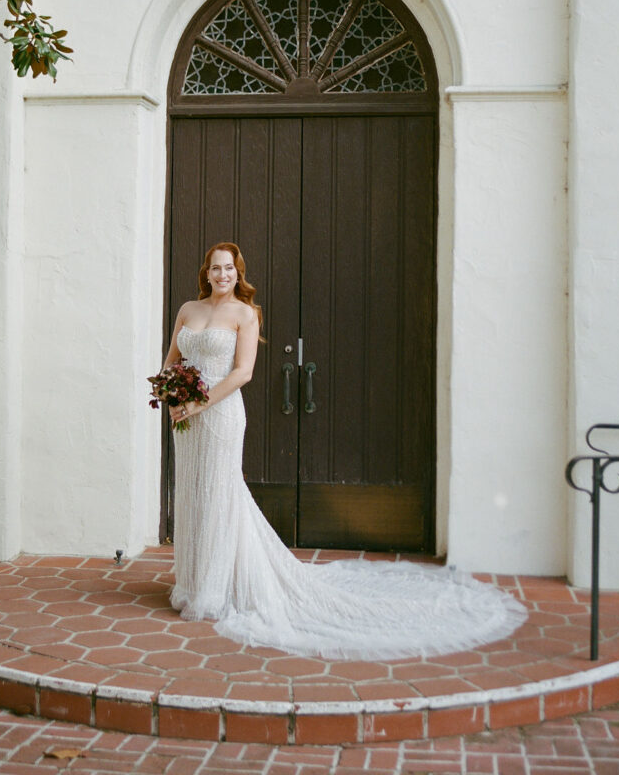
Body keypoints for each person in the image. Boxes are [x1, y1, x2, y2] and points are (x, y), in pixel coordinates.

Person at [162, 241, 527, 660]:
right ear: (206, 272)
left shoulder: (245, 314)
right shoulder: (188, 310)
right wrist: (171, 395)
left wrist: (199, 402)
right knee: (191, 492)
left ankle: (217, 586)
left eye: (229, 268)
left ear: (238, 273)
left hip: (220, 414)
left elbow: (243, 373)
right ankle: (192, 580)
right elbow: (171, 360)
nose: (222, 275)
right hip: (185, 420)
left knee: (219, 493)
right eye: (215, 268)